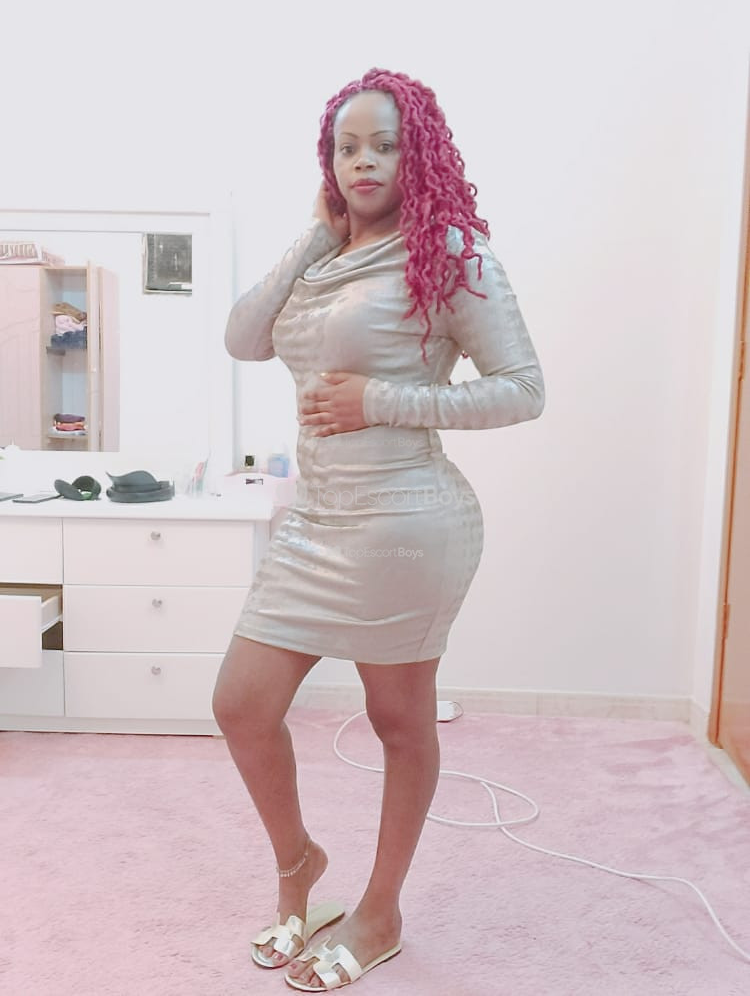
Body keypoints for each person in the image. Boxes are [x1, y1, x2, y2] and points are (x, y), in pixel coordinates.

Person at [212, 67, 545, 991]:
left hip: (406, 521)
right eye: (347, 147)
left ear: (417, 152)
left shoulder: (449, 251)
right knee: (241, 704)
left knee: (398, 719)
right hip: (317, 519)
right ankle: (300, 866)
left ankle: (381, 909)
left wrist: (382, 400)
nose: (364, 161)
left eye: (385, 145)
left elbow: (523, 389)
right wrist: (314, 232)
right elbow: (243, 338)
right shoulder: (322, 259)